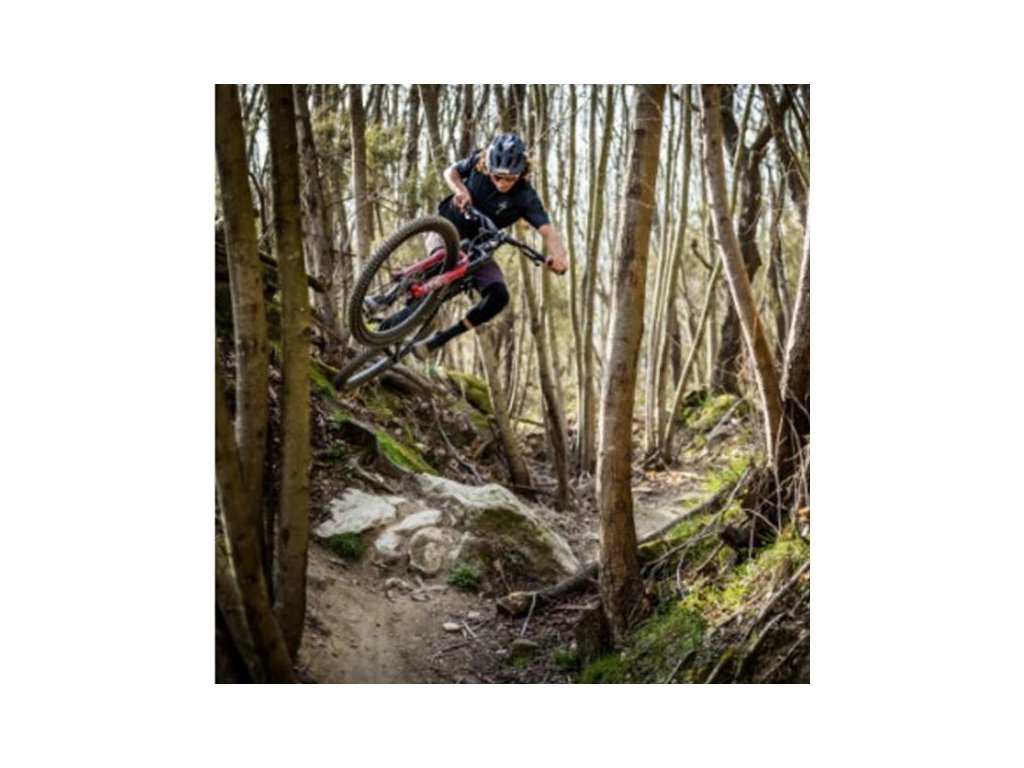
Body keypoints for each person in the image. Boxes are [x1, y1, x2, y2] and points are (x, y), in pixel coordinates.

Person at [410, 132, 568, 359]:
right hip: (447, 229)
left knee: (499, 296)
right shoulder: (478, 162)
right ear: (489, 167)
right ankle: (389, 305)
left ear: (522, 172)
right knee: (444, 260)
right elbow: (451, 172)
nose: (503, 183)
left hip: (477, 248)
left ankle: (439, 339)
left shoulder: (525, 196)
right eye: (497, 177)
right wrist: (462, 191)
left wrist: (560, 257)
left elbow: (548, 232)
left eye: (510, 179)